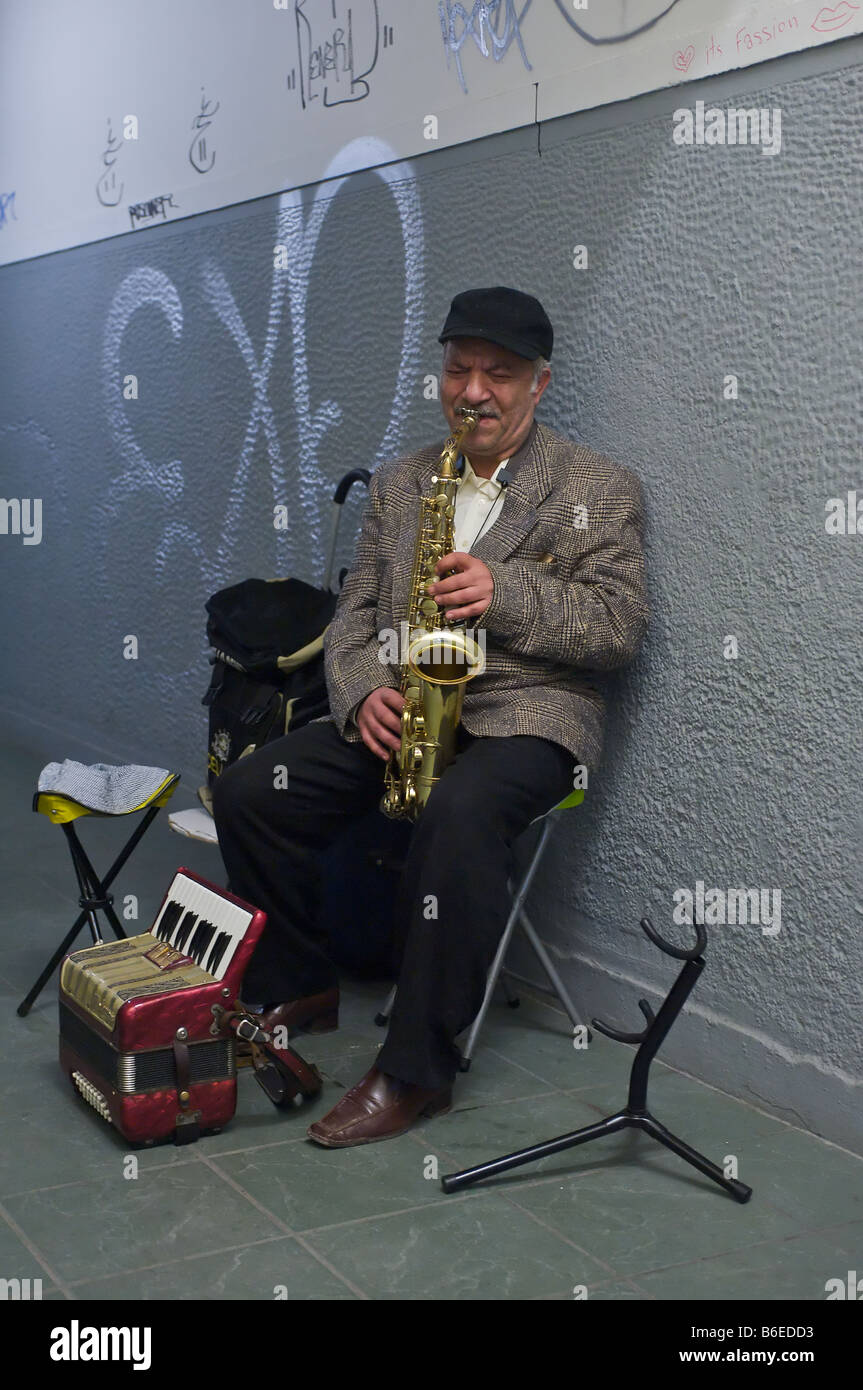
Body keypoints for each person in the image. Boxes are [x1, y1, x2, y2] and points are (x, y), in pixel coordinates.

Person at [212, 285, 649, 1147]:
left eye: (499, 374)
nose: (474, 391)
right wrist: (362, 688)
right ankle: (301, 981)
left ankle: (415, 1071)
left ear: (539, 384)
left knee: (458, 812)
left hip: (530, 716)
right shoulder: (405, 480)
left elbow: (619, 629)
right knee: (256, 787)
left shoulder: (598, 485)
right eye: (459, 370)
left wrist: (506, 591)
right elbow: (357, 613)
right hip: (407, 708)